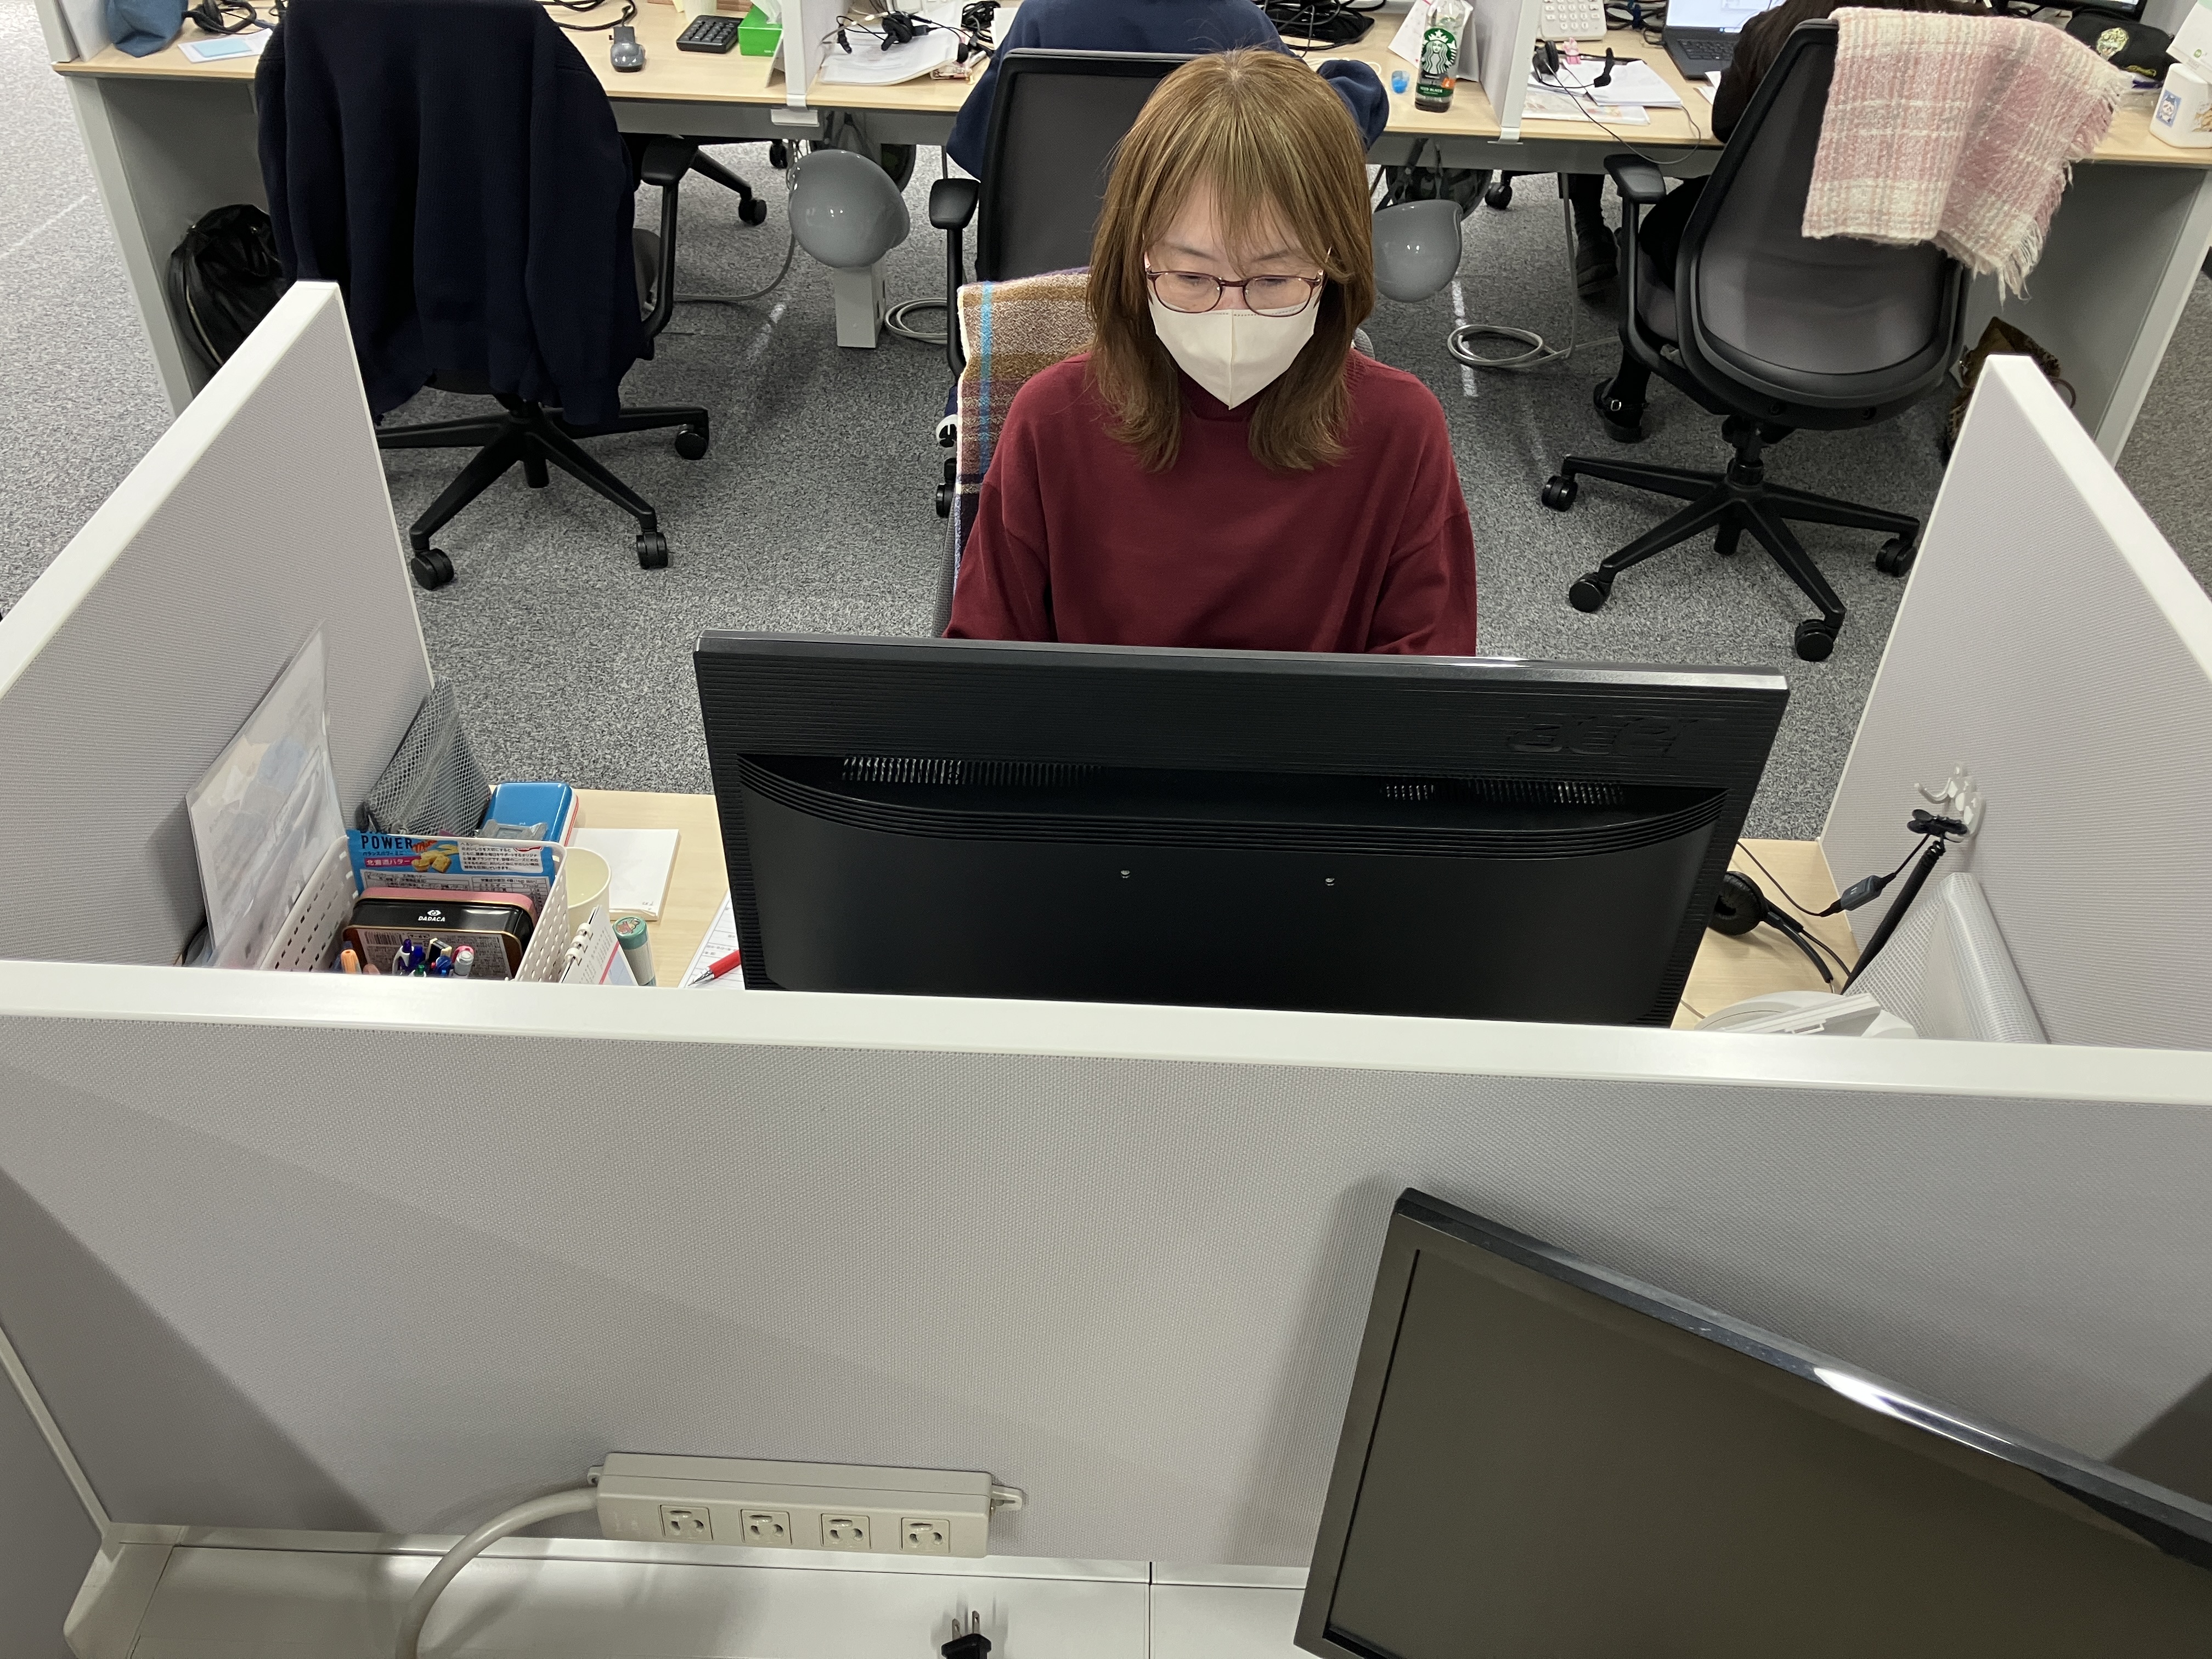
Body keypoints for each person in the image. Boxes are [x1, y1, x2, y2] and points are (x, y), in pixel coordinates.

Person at [945, 50, 1479, 655]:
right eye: (1191, 278)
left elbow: (1429, 681)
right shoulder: (1052, 421)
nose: (1231, 315)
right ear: (1137, 260)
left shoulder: (1401, 431)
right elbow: (986, 663)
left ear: (1335, 267)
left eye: (1273, 280)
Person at [1593, 0, 1991, 439]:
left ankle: (1627, 396)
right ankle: (1774, 418)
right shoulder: (1985, 39)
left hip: (1754, 268)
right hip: (1893, 287)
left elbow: (1726, 127)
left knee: (1665, 225)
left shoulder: (1783, 28)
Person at [945, 0, 1390, 177]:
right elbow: (1318, 134)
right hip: (1199, 269)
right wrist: (1356, 81)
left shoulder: (1042, 16)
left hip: (1048, 272)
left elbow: (979, 148)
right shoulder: (1239, 24)